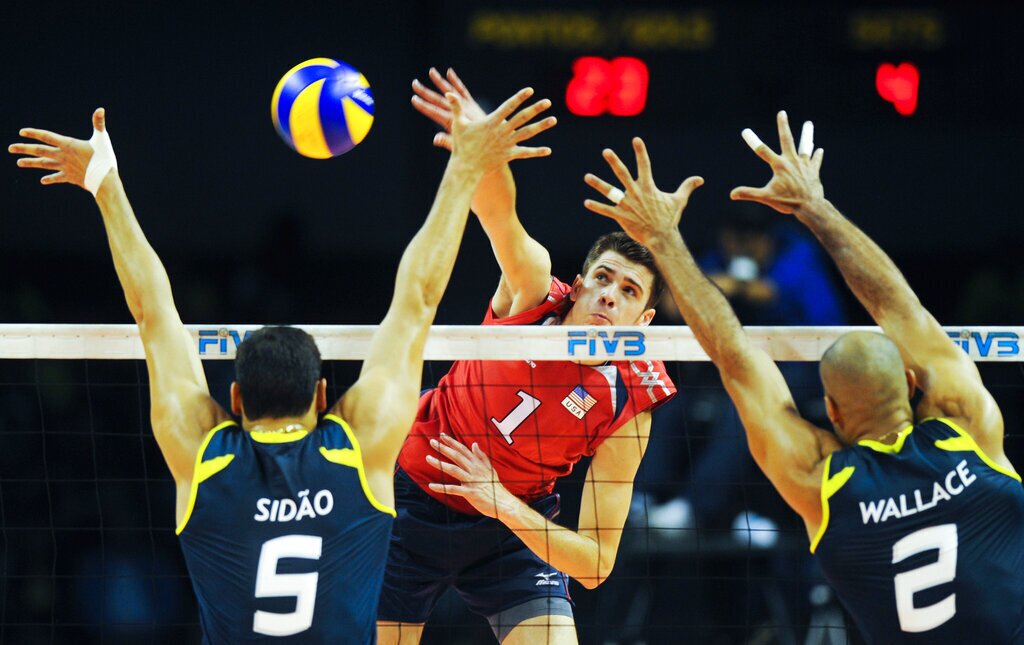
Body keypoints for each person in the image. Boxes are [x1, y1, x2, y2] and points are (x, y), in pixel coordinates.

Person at [9, 87, 555, 643]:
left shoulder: (203, 461)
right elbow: (417, 299)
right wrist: (464, 169)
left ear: (236, 400)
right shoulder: (359, 450)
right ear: (323, 396)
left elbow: (153, 312)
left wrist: (105, 182)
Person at [582, 114, 1024, 643]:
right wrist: (814, 206)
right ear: (911, 383)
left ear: (831, 413)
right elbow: (900, 307)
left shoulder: (821, 485)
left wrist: (662, 238)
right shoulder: (969, 430)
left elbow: (734, 356)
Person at [376, 69, 676, 645]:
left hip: (513, 530)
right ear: (580, 285)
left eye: (630, 291)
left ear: (643, 324)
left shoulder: (631, 400)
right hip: (412, 504)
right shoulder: (533, 294)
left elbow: (595, 564)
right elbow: (499, 217)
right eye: (603, 279)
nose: (610, 294)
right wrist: (482, 151)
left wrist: (501, 504)